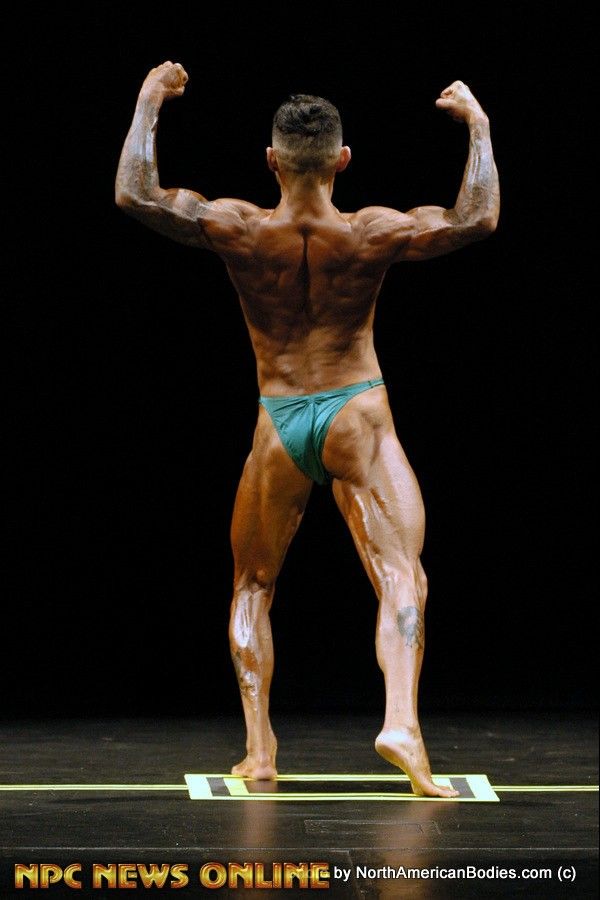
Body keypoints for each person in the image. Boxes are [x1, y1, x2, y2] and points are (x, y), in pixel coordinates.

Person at [115, 62, 499, 797]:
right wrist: (478, 127)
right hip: (357, 410)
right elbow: (474, 218)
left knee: (253, 584)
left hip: (279, 418)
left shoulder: (237, 226)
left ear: (271, 161)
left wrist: (148, 101)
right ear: (342, 160)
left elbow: (136, 194)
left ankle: (260, 751)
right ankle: (401, 726)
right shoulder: (371, 232)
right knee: (401, 574)